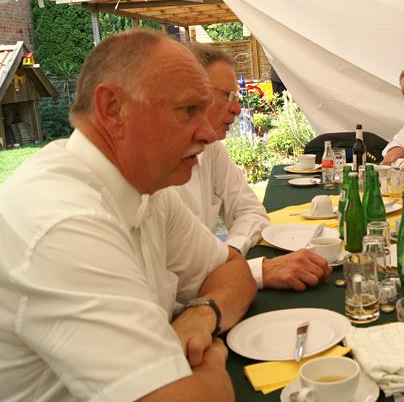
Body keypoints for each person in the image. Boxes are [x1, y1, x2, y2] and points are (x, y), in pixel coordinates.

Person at [0, 29, 257, 401]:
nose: (206, 131)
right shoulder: (63, 223)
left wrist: (204, 313)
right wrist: (213, 362)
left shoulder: (146, 189)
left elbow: (234, 271)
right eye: (188, 110)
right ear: (112, 109)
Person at [177, 46, 331, 291]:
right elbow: (176, 281)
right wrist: (255, 271)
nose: (237, 109)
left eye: (236, 97)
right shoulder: (147, 175)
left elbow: (250, 211)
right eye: (227, 96)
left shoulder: (211, 149)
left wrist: (232, 252)